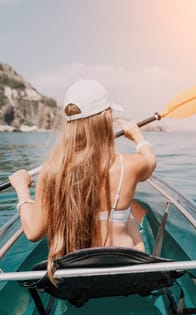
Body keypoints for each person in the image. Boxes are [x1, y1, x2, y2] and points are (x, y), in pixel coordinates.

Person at [9, 79, 156, 283]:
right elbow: (150, 161)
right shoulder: (129, 166)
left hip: (75, 277)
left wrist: (21, 188)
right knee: (128, 215)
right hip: (126, 270)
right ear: (106, 117)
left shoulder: (51, 172)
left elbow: (33, 232)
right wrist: (138, 137)